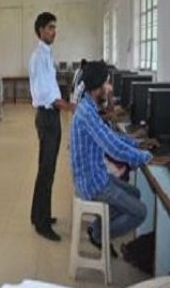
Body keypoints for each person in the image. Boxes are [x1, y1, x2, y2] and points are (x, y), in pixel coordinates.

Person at [69, 61, 167, 252]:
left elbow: (111, 136)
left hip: (95, 176)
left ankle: (97, 228)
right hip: (92, 184)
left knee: (136, 194)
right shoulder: (87, 113)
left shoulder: (88, 107)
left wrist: (138, 144)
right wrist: (147, 157)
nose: (110, 87)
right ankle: (98, 234)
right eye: (107, 83)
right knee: (140, 211)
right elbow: (113, 148)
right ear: (97, 87)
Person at [29, 12, 73, 241]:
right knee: (47, 171)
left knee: (46, 170)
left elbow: (51, 88)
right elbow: (48, 93)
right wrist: (71, 107)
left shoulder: (45, 55)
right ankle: (42, 223)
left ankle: (38, 215)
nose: (53, 31)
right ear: (40, 30)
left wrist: (65, 106)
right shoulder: (39, 56)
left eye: (54, 27)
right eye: (49, 28)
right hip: (47, 117)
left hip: (49, 116)